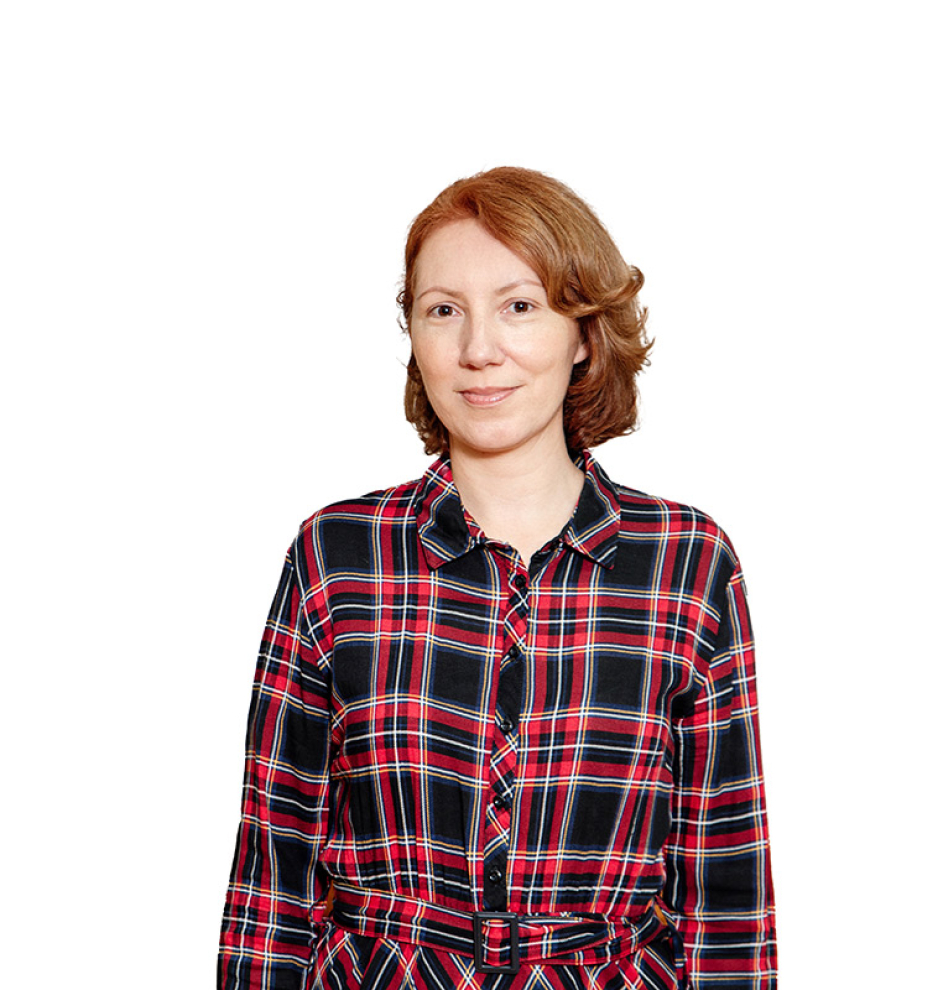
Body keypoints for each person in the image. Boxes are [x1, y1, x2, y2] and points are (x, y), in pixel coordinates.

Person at [218, 167, 777, 989]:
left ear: (583, 333)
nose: (478, 350)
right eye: (443, 310)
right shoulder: (336, 555)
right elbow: (273, 869)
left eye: (519, 306)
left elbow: (727, 885)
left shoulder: (687, 563)